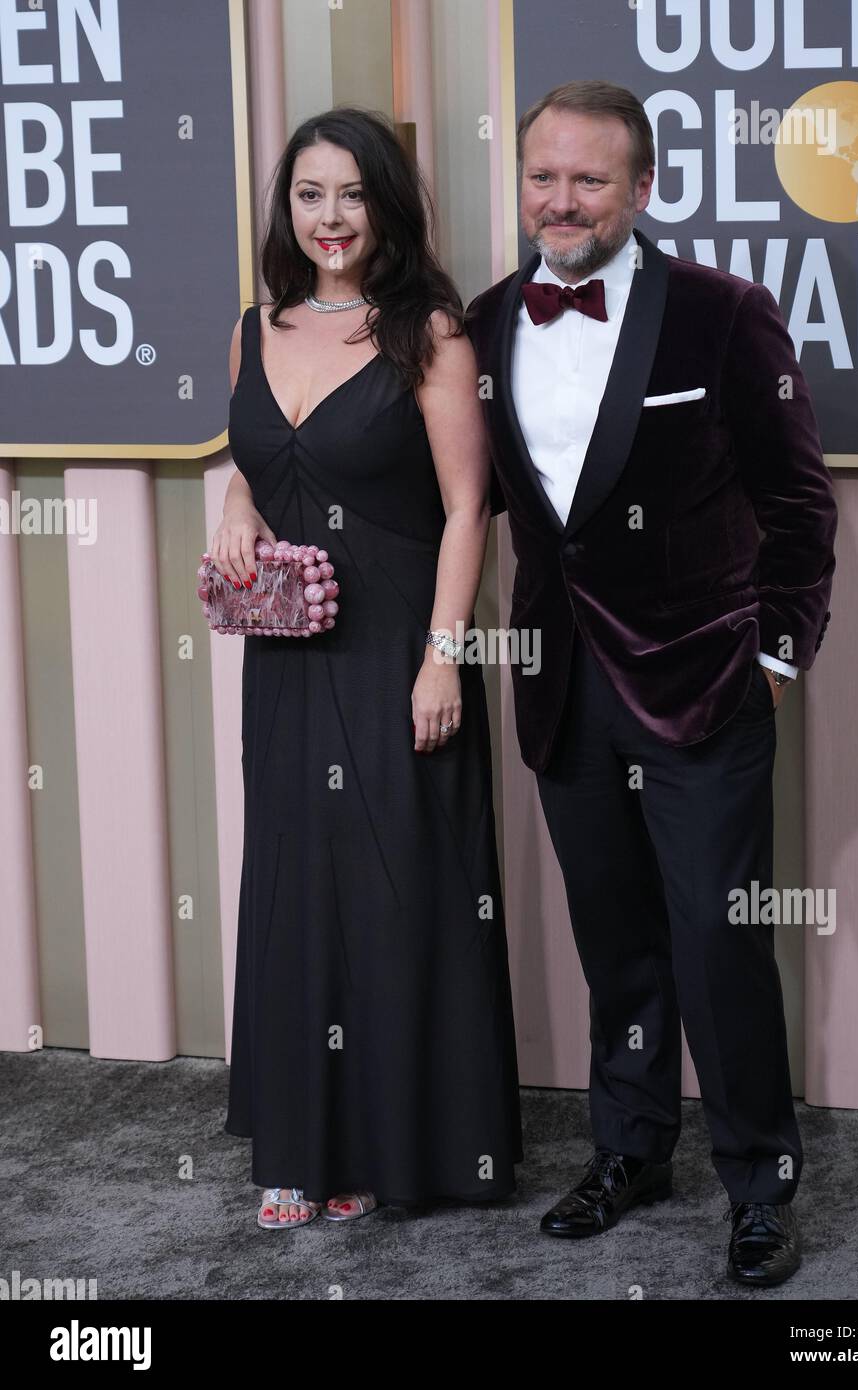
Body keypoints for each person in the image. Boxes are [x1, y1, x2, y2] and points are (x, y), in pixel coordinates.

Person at [465, 80, 837, 1286]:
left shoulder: (724, 316)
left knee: (721, 942)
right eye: (542, 176)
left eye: (588, 179)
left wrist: (777, 654)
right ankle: (631, 1149)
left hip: (705, 684)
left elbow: (795, 502)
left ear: (641, 188)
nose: (559, 200)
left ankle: (760, 1183)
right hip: (565, 683)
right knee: (616, 940)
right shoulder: (482, 323)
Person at [215, 107, 522, 1228]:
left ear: (385, 204)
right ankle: (304, 1144)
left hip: (397, 645)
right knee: (296, 888)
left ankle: (389, 1146)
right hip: (289, 654)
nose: (329, 216)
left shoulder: (429, 330)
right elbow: (263, 454)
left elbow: (465, 505)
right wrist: (233, 511)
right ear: (286, 209)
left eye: (349, 194)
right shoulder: (256, 326)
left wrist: (444, 659)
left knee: (400, 893)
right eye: (308, 195)